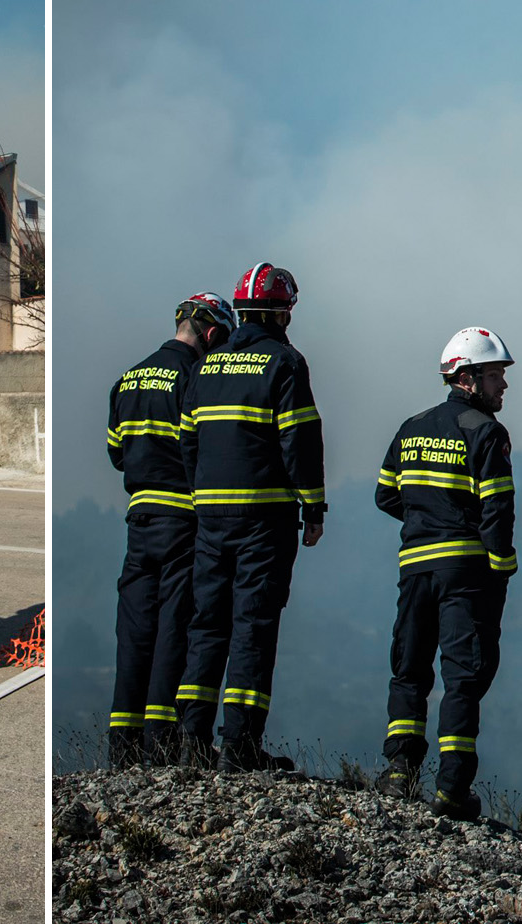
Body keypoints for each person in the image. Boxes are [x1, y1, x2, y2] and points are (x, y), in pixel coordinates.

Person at [176, 262, 325, 773]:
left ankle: (193, 741)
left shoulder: (206, 367)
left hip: (211, 520)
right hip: (265, 520)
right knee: (253, 626)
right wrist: (314, 506)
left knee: (207, 624)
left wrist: (202, 497)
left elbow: (188, 443)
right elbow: (300, 440)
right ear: (282, 314)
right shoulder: (285, 363)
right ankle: (239, 747)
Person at [373, 327, 516, 822]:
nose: (504, 386)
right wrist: (503, 565)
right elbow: (497, 509)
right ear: (470, 378)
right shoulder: (486, 432)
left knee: (409, 667)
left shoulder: (409, 427)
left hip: (414, 566)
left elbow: (386, 495)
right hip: (465, 572)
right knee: (463, 676)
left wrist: (424, 523)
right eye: (497, 375)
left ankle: (398, 774)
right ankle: (452, 790)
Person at [105, 292, 236, 769]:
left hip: (139, 523)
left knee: (134, 631)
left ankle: (123, 748)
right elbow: (204, 447)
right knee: (174, 629)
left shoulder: (128, 378)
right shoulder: (195, 377)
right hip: (185, 522)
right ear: (213, 334)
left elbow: (117, 451)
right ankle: (162, 745)